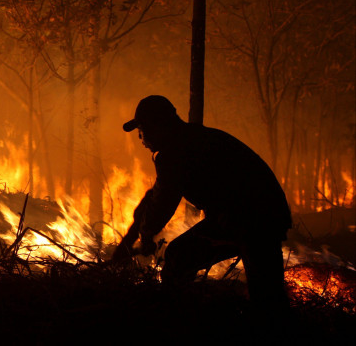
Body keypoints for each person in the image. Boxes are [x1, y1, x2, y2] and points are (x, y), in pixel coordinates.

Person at [112, 95, 292, 313]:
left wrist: (145, 233)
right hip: (262, 213)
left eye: (143, 129)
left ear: (158, 126)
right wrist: (141, 229)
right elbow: (159, 194)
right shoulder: (193, 138)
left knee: (179, 257)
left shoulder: (175, 151)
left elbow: (163, 201)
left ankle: (180, 321)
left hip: (251, 218)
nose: (141, 137)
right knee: (267, 293)